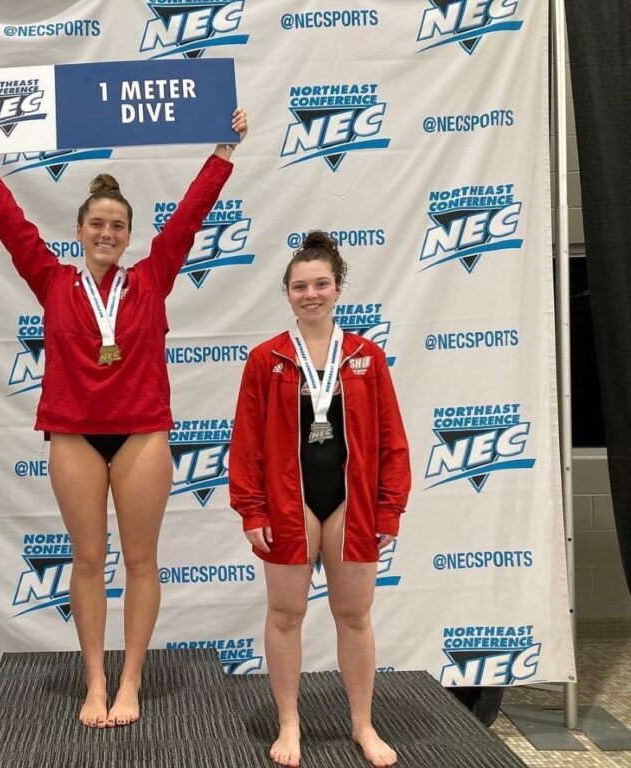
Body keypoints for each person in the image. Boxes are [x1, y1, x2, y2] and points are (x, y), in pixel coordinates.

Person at [0, 108, 247, 727]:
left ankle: (131, 678)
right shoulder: (52, 280)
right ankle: (94, 679)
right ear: (80, 231)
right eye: (97, 224)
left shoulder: (152, 278)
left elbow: (189, 217)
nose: (107, 233)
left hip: (141, 435)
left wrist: (223, 151)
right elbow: (11, 225)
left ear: (129, 235)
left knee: (140, 561)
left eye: (117, 225)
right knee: (87, 560)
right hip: (74, 436)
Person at [229, 232, 409, 768]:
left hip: (352, 503)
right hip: (290, 502)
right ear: (287, 293)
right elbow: (246, 441)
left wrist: (390, 508)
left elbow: (392, 438)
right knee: (286, 613)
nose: (311, 294)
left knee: (354, 615)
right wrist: (252, 508)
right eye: (300, 286)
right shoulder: (266, 358)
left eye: (321, 284)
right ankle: (289, 723)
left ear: (338, 289)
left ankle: (363, 723)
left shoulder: (366, 357)